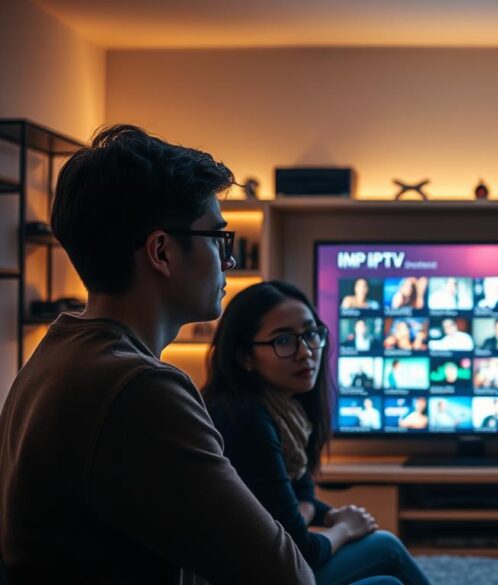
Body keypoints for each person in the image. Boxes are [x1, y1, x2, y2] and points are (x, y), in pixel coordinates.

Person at [0, 125, 313, 583]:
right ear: (161, 252)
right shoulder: (139, 388)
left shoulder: (58, 350)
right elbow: (287, 575)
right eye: (218, 240)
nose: (229, 263)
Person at [204, 280, 432, 585]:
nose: (305, 352)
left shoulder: (287, 413)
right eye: (283, 340)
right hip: (249, 576)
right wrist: (345, 527)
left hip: (267, 567)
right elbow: (300, 550)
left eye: (311, 334)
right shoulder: (244, 420)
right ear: (245, 355)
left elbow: (299, 498)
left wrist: (317, 512)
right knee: (385, 548)